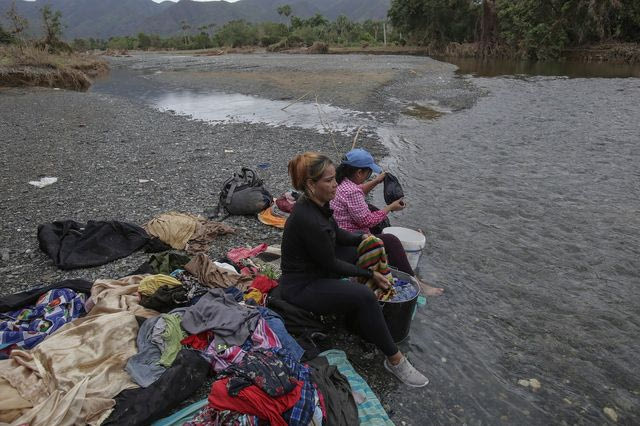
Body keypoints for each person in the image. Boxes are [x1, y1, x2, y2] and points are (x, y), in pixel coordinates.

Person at [280, 152, 429, 387]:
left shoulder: (318, 204)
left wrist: (364, 241)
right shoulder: (308, 219)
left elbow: (338, 234)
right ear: (311, 184)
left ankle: (372, 308)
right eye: (329, 180)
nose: (335, 184)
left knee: (379, 241)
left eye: (334, 178)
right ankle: (395, 361)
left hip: (318, 268)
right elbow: (330, 263)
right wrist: (371, 274)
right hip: (302, 286)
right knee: (365, 296)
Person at [332, 148, 444, 296]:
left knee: (373, 211)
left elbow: (359, 191)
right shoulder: (351, 192)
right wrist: (390, 208)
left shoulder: (341, 182)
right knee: (392, 240)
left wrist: (377, 181)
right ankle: (416, 283)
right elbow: (368, 221)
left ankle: (391, 261)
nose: (369, 176)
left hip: (340, 232)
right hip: (349, 241)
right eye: (368, 173)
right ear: (359, 173)